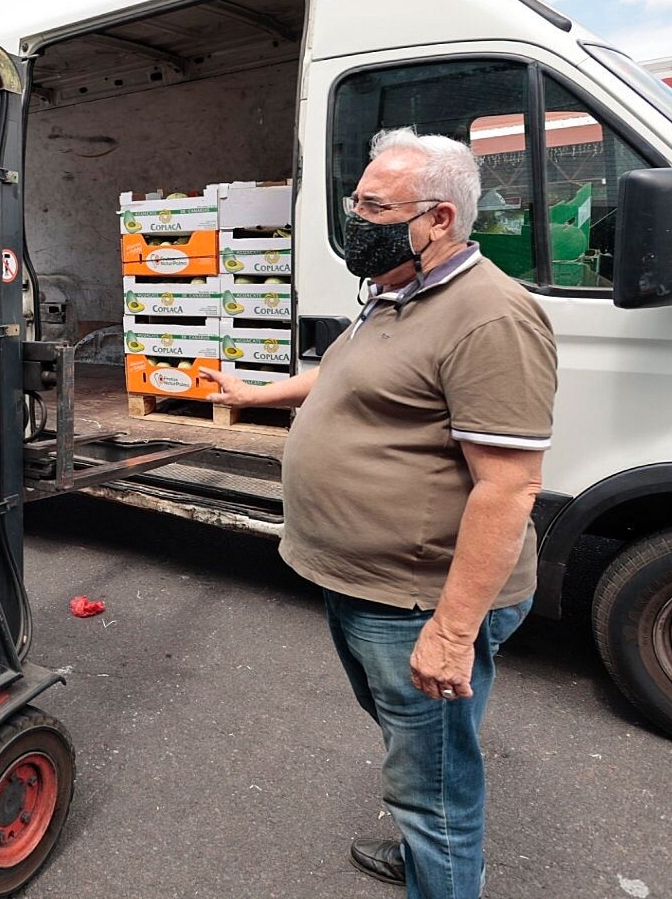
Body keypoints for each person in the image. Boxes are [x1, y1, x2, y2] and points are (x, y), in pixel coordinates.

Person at [204, 128, 557, 898]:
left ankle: (441, 870)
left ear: (437, 219)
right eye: (355, 198)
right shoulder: (396, 290)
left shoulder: (491, 316)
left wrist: (453, 633)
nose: (354, 215)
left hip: (416, 598)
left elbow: (508, 487)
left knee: (433, 783)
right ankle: (427, 856)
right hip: (362, 585)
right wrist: (256, 394)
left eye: (373, 204)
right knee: (414, 747)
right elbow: (342, 374)